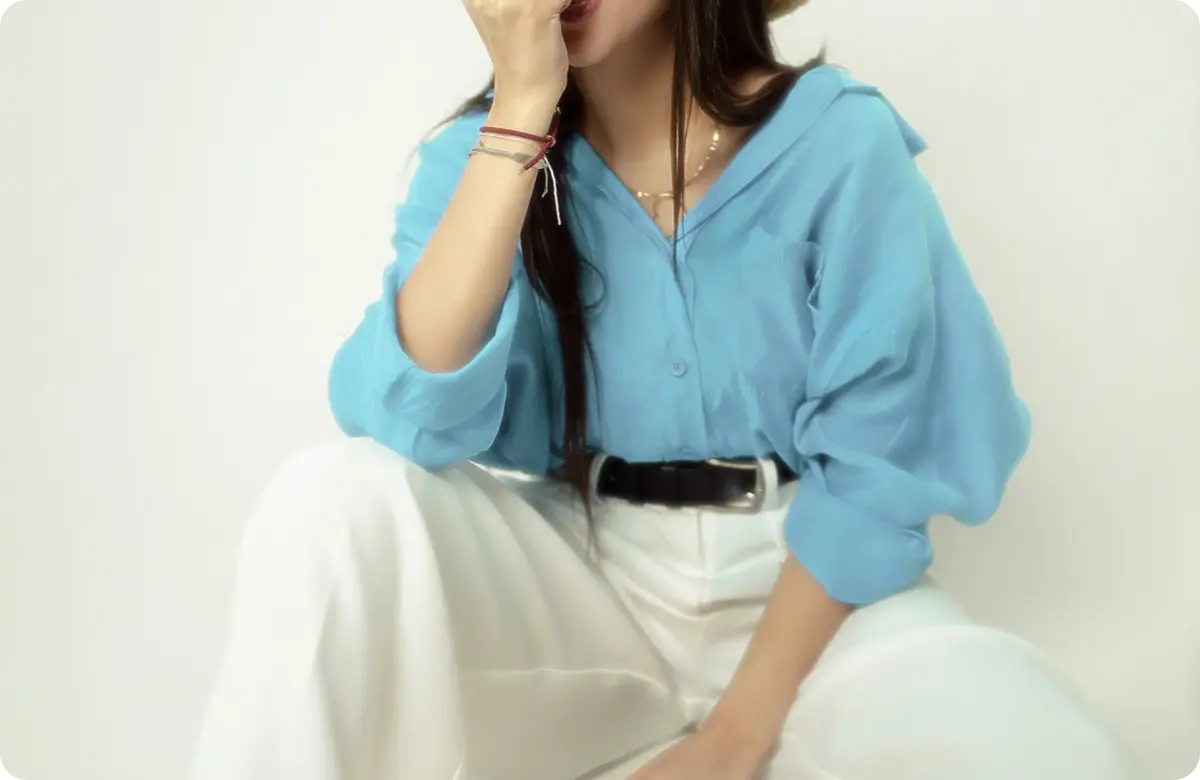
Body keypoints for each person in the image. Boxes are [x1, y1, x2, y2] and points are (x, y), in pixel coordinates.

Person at [189, 0, 1150, 778]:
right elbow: (404, 412)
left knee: (1040, 751)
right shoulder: (482, 161)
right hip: (585, 583)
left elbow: (885, 457)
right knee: (328, 497)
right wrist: (522, 111)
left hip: (817, 591)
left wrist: (733, 739)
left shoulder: (837, 142)